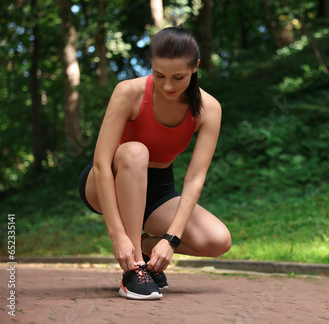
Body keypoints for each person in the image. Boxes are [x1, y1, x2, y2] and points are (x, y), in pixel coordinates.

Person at [78, 26, 231, 300]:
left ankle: (146, 248)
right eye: (159, 75)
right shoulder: (128, 92)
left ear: (195, 67)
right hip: (108, 181)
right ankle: (134, 268)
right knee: (136, 152)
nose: (168, 85)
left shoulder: (209, 108)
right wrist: (118, 237)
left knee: (218, 240)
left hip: (157, 188)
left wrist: (170, 240)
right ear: (151, 65)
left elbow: (194, 179)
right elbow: (101, 163)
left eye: (178, 77)